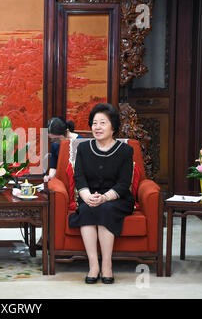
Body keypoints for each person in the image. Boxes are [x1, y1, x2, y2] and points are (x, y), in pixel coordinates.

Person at [68, 103, 135, 284]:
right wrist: (87, 196)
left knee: (105, 209)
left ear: (113, 126)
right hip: (89, 196)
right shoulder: (83, 148)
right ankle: (93, 265)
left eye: (103, 123)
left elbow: (124, 183)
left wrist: (105, 197)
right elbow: (79, 177)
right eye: (94, 123)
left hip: (116, 199)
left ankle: (107, 265)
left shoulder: (125, 151)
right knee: (88, 209)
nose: (97, 127)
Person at [43, 117, 83, 182]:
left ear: (66, 132)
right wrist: (49, 177)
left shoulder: (80, 141)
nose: (54, 141)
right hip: (62, 180)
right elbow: (53, 166)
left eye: (56, 139)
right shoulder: (54, 144)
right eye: (51, 139)